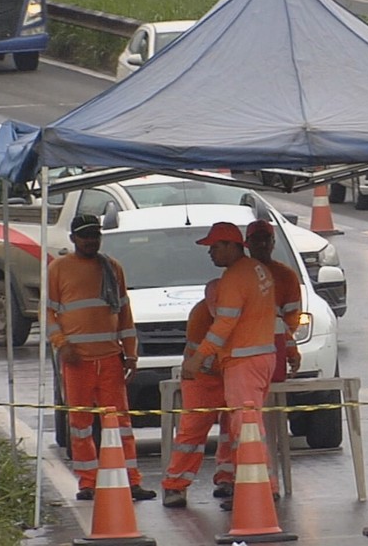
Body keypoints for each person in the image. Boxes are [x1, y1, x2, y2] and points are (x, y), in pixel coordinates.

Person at [46, 214, 156, 502]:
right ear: (73, 239)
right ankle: (88, 483)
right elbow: (48, 314)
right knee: (80, 425)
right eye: (85, 236)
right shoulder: (58, 269)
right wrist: (61, 344)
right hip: (76, 360)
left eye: (95, 235)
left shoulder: (112, 268)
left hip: (110, 359)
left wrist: (131, 355)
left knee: (120, 423)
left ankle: (132, 481)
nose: (91, 240)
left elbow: (125, 315)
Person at [181, 221, 278, 510]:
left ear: (232, 246)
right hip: (261, 358)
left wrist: (199, 358)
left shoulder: (235, 278)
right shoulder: (258, 271)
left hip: (243, 360)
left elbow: (224, 324)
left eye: (215, 247)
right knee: (250, 426)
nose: (210, 253)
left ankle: (257, 488)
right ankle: (259, 486)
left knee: (245, 427)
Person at [162, 280, 234, 508]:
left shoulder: (236, 311)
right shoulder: (200, 316)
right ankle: (175, 485)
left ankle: (228, 478)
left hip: (231, 374)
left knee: (235, 429)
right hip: (202, 376)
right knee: (192, 430)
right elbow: (202, 355)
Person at [245, 219, 302, 382]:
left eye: (266, 239)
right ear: (247, 243)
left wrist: (289, 348)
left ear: (273, 242)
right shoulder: (238, 274)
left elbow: (289, 321)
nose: (262, 244)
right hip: (244, 355)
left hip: (275, 350)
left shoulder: (287, 276)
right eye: (256, 239)